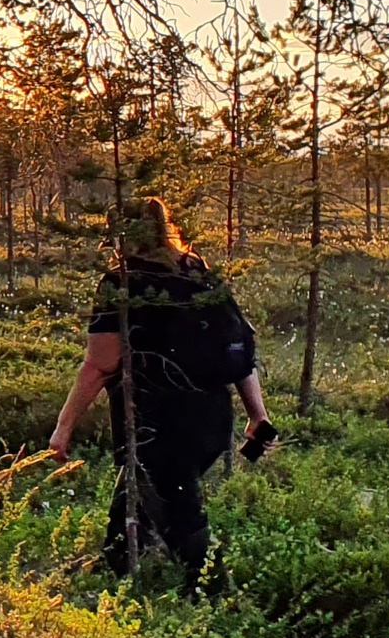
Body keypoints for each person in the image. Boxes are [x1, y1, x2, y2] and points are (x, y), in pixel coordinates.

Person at [48, 197, 271, 592]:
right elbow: (240, 351)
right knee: (137, 492)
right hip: (212, 422)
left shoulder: (121, 283)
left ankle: (216, 594)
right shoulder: (200, 273)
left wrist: (63, 428)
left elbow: (100, 365)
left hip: (156, 423)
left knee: (179, 512)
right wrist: (258, 416)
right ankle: (115, 567)